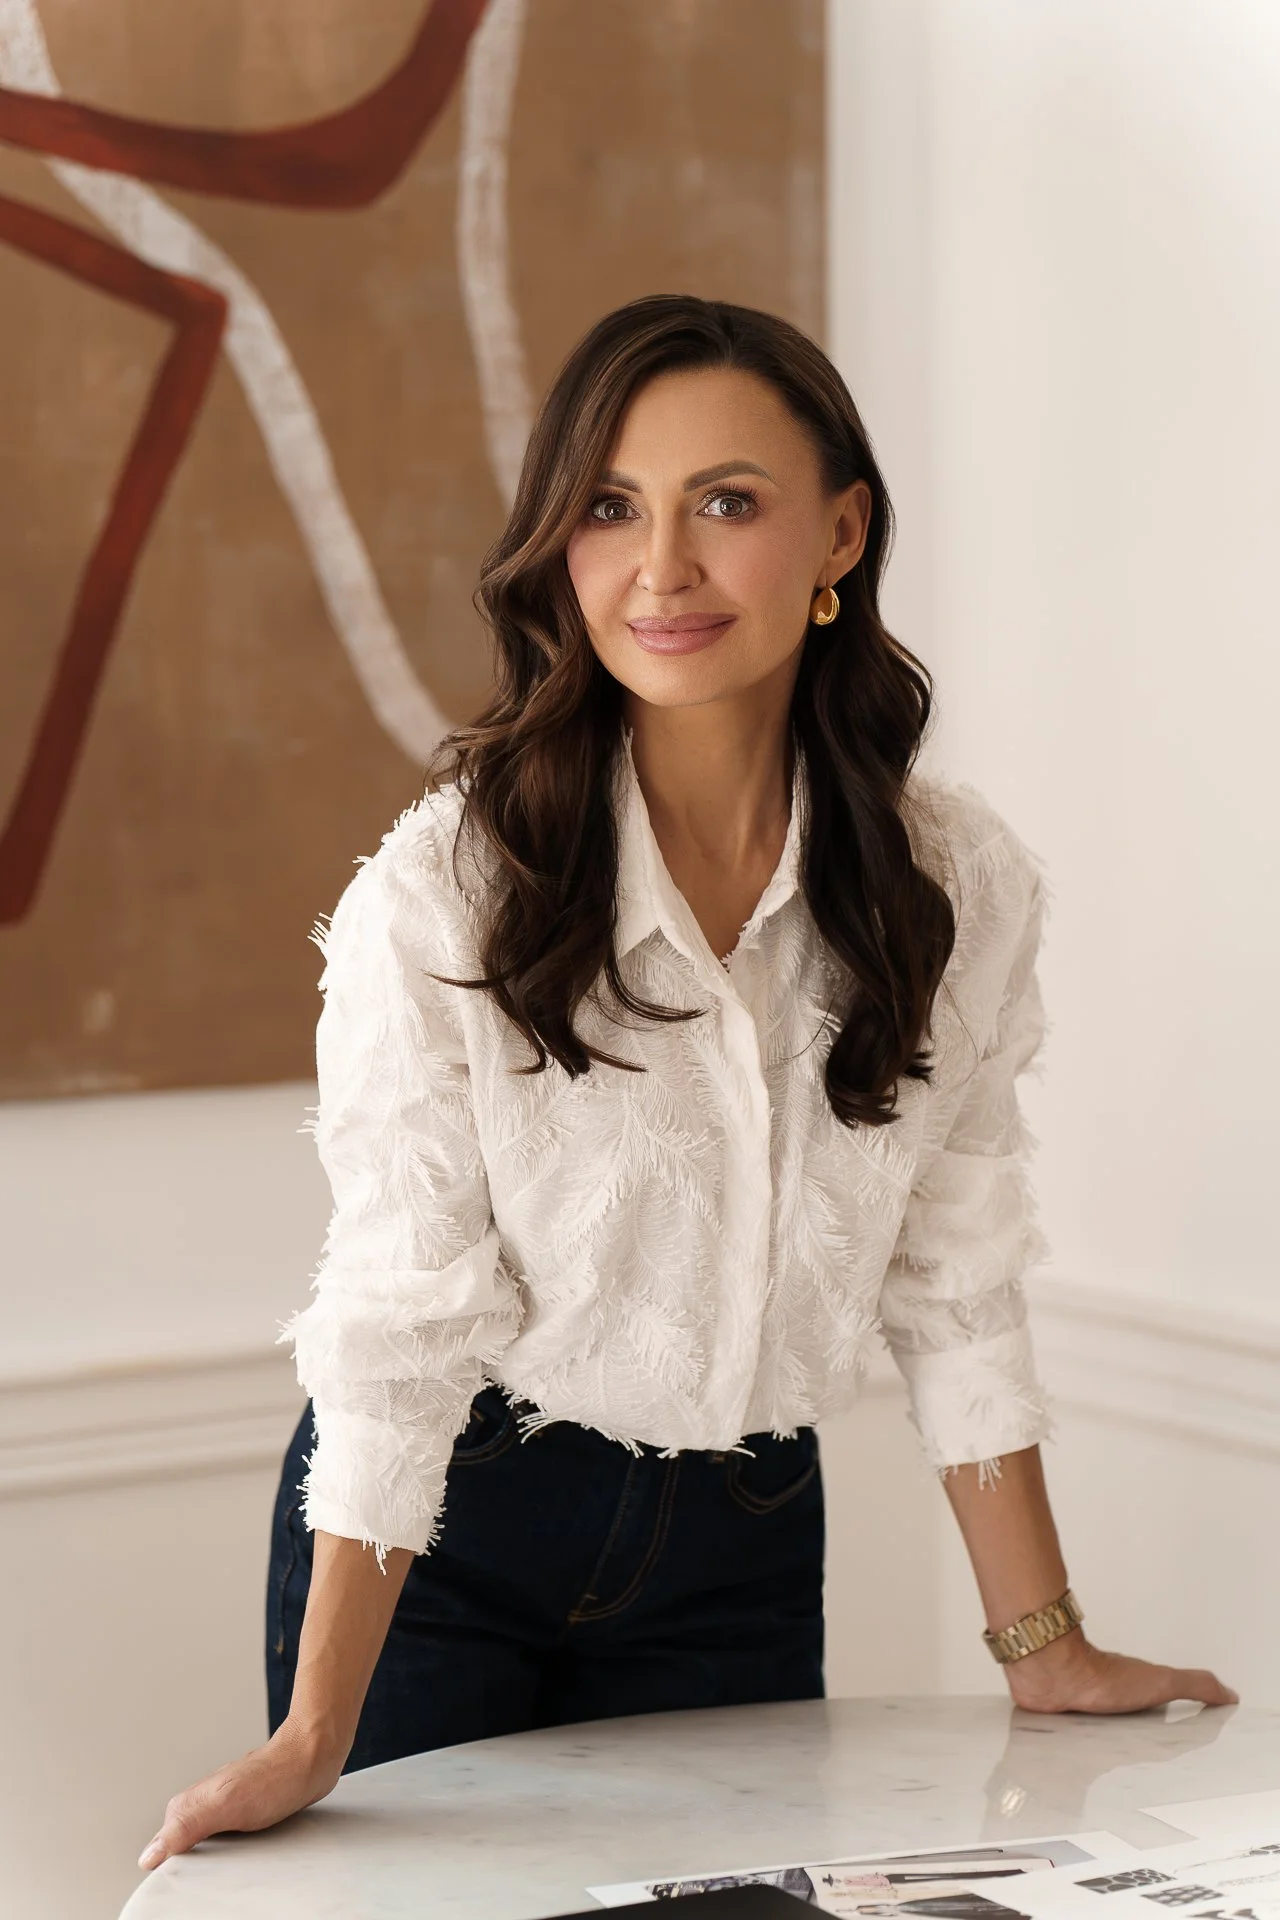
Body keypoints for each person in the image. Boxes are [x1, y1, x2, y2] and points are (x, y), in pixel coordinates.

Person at [138, 294, 1235, 1873]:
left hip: (743, 1539)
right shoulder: (444, 895)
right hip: (452, 1537)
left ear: (840, 531)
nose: (660, 568)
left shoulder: (956, 888)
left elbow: (955, 1273)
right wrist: (314, 1733)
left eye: (727, 501)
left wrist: (1042, 1647)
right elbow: (398, 1325)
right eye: (608, 507)